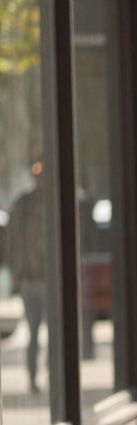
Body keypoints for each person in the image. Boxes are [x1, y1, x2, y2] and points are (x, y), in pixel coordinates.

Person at [8, 160, 48, 394]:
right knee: (33, 331)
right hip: (31, 278)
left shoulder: (52, 202)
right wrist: (17, 274)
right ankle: (33, 377)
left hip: (43, 277)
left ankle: (49, 377)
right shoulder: (22, 204)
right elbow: (14, 243)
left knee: (50, 332)